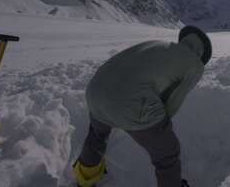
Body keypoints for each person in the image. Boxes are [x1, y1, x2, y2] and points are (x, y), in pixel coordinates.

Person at [73, 25, 212, 187]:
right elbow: (173, 101)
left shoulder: (159, 44)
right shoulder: (194, 65)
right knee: (168, 153)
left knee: (96, 136)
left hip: (95, 90)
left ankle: (84, 179)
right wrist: (160, 132)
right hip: (127, 101)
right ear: (201, 53)